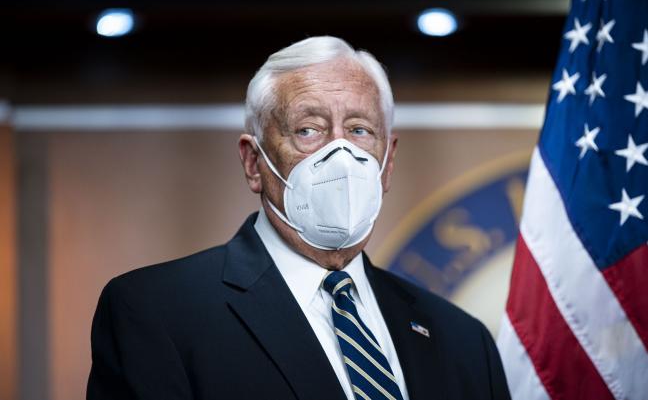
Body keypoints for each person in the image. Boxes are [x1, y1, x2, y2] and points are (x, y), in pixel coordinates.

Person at [86, 36, 510, 400]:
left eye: (360, 130)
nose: (341, 154)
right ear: (254, 162)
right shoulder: (156, 313)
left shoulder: (463, 341)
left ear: (389, 161)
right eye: (309, 130)